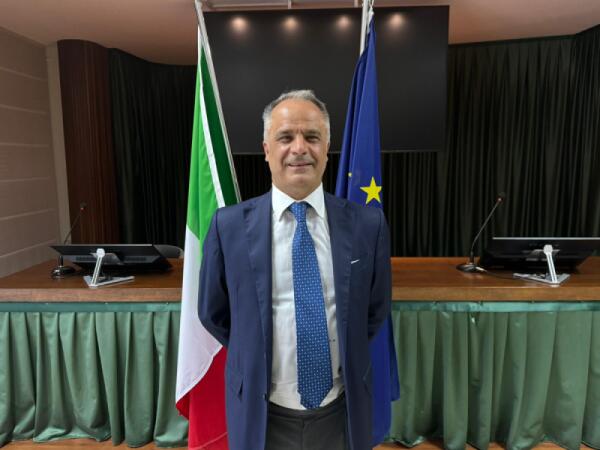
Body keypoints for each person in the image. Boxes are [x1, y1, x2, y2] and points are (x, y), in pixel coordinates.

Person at [198, 89, 391, 450]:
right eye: (285, 137)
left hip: (341, 412)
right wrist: (253, 349)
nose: (299, 148)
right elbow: (213, 313)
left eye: (312, 137)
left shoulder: (367, 225)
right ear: (266, 149)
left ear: (327, 147)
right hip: (261, 414)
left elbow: (374, 310)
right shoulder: (229, 226)